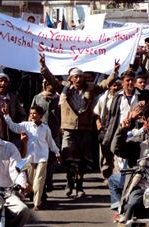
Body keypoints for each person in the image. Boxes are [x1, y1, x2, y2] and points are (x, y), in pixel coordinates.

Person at [39, 54, 119, 197]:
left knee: (83, 160)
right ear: (70, 78)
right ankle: (70, 182)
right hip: (68, 129)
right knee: (68, 157)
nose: (78, 79)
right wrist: (43, 67)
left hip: (85, 129)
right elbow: (51, 79)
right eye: (75, 77)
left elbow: (104, 84)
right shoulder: (64, 88)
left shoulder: (90, 88)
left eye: (80, 76)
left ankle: (80, 187)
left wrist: (114, 72)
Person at [2, 105, 61, 210]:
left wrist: (57, 153)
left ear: (41, 115)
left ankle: (37, 204)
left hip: (42, 158)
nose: (32, 115)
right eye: (31, 113)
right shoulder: (26, 125)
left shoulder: (45, 128)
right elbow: (13, 126)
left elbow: (50, 142)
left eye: (35, 113)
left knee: (39, 180)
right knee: (30, 182)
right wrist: (6, 115)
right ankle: (31, 196)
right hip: (29, 159)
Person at [0, 111, 31, 226]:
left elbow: (17, 169)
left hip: (6, 195)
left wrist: (22, 183)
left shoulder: (10, 148)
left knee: (23, 211)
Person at [31, 79, 61, 193]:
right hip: (40, 131)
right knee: (41, 157)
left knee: (53, 157)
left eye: (52, 84)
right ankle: (40, 183)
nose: (50, 86)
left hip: (54, 131)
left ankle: (49, 180)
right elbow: (31, 113)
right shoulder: (38, 98)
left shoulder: (59, 98)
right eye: (48, 84)